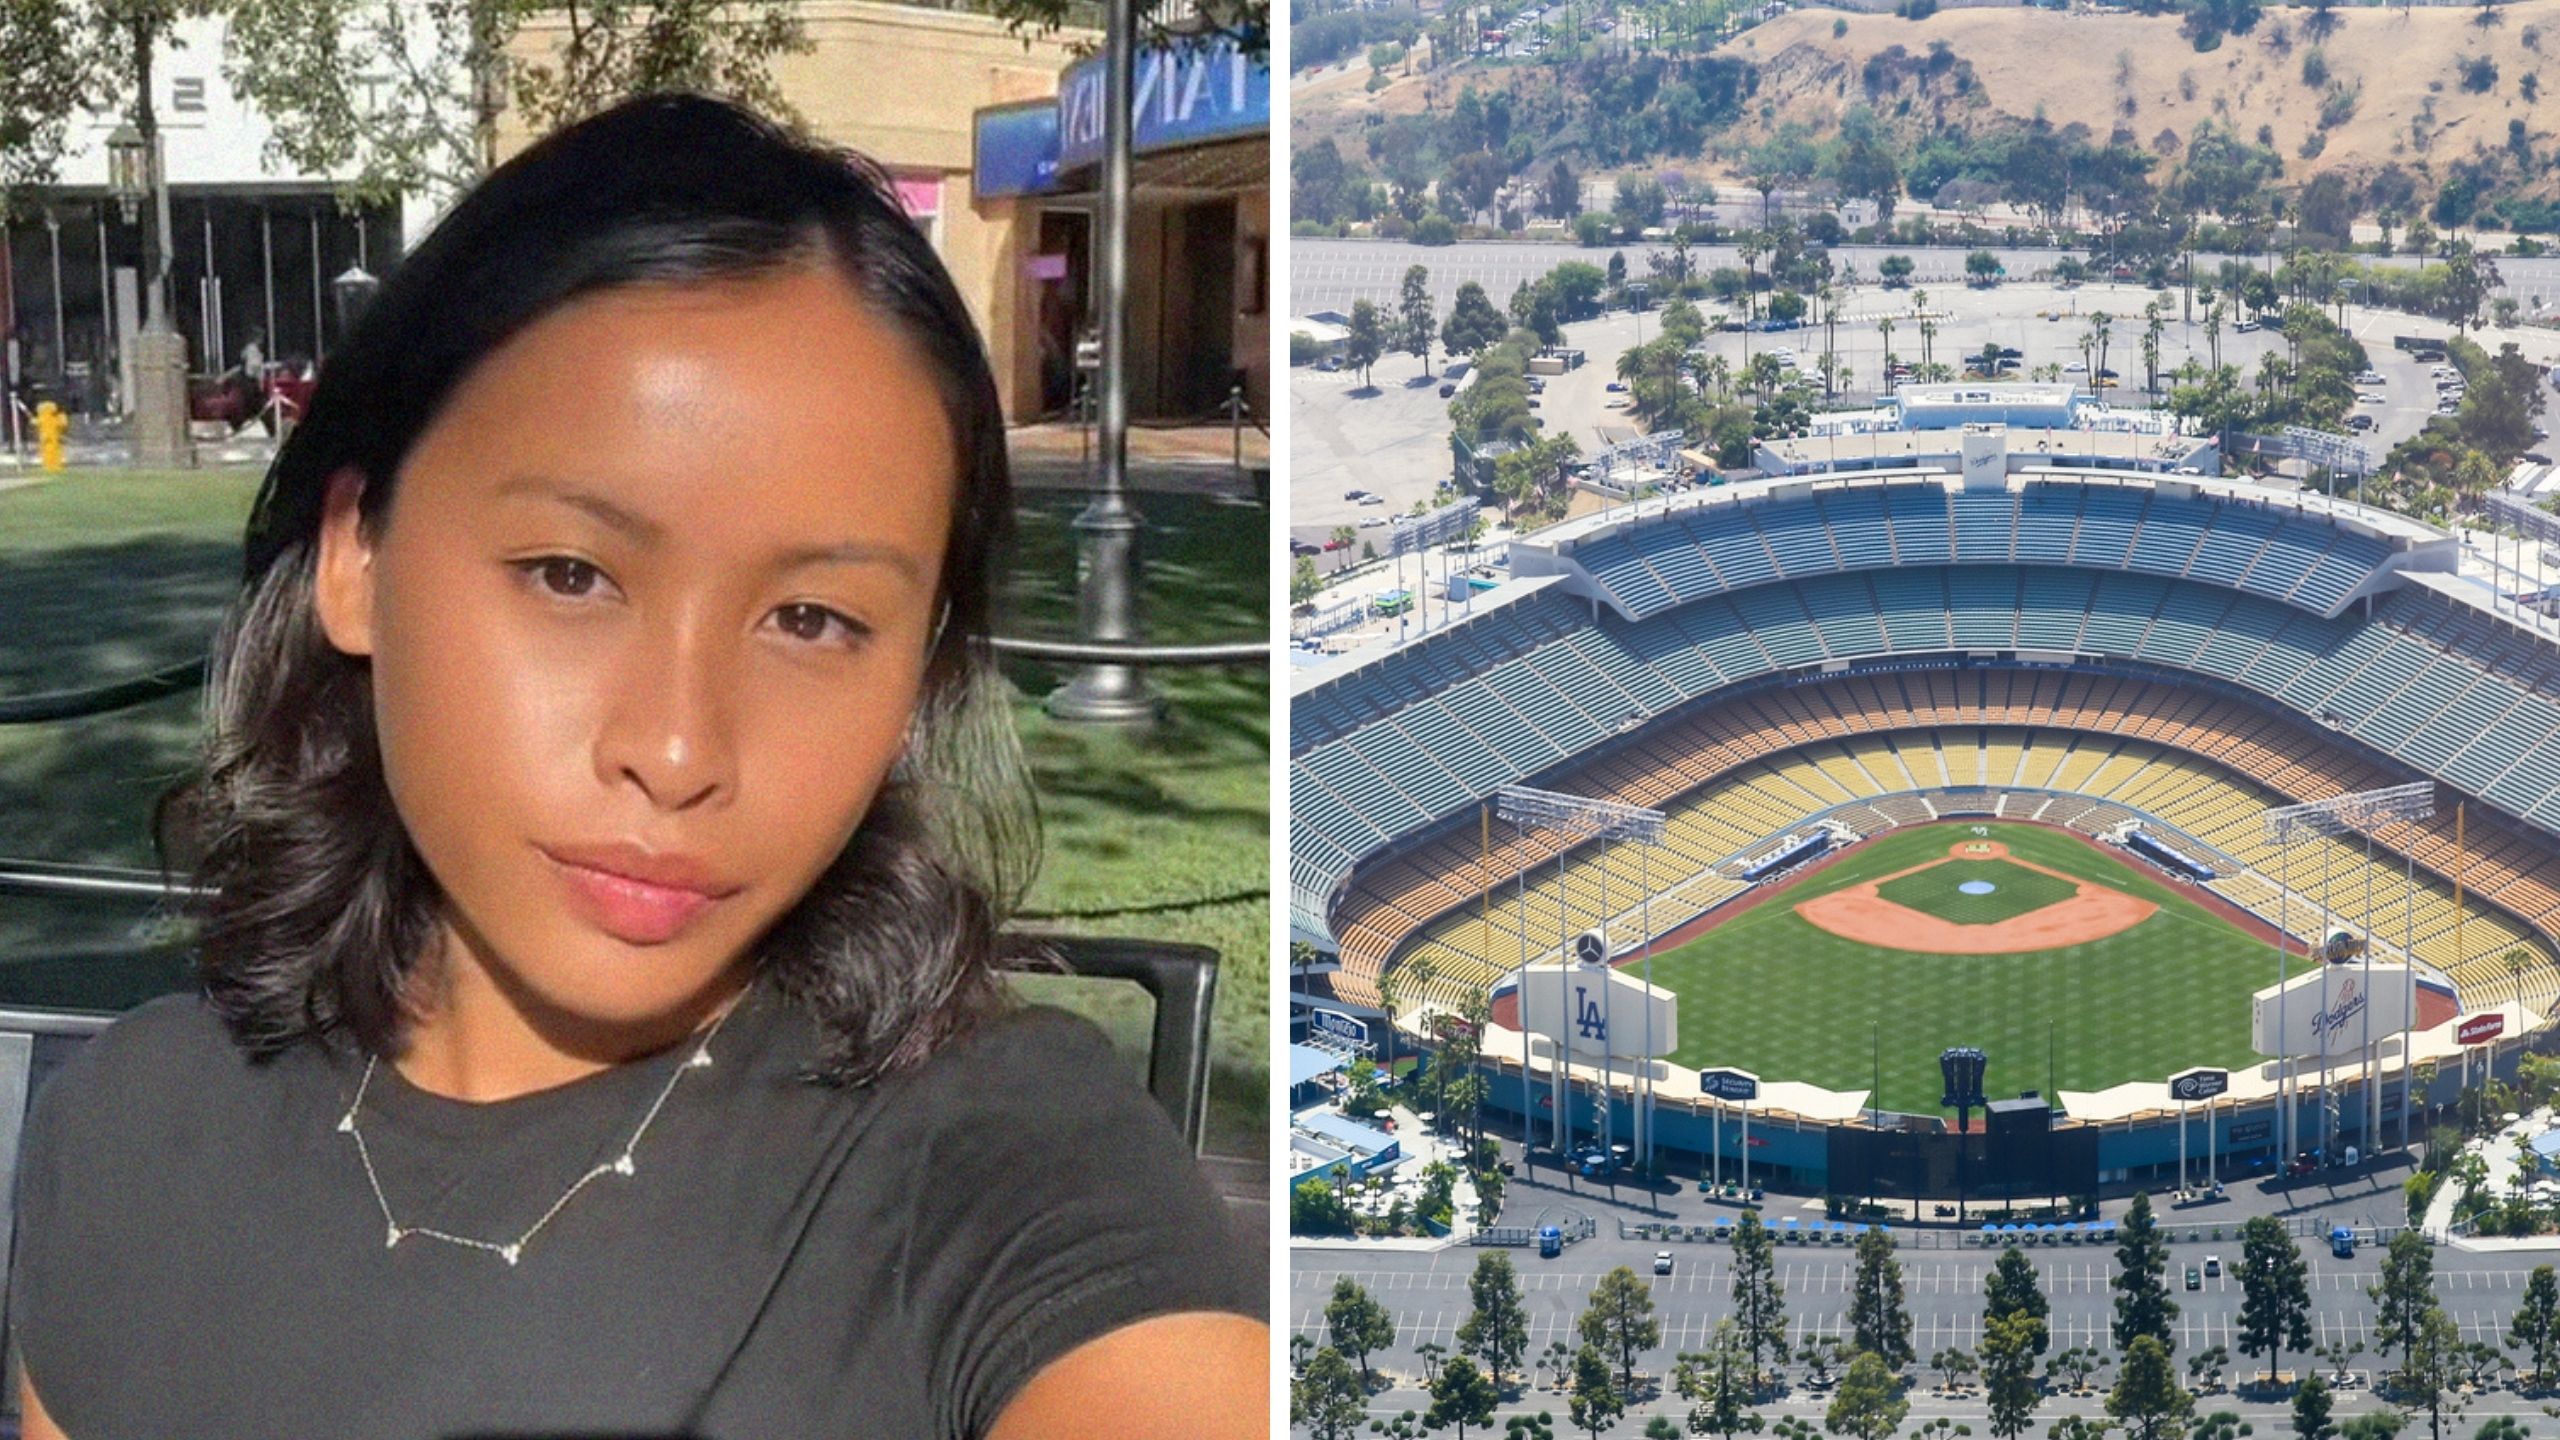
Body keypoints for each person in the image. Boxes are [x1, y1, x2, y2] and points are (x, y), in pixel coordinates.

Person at [7, 93, 1266, 1439]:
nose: (675, 752)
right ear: (356, 556)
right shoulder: (128, 1139)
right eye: (571, 575)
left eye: (813, 621)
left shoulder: (1003, 1165)